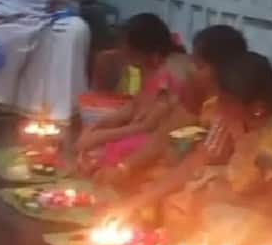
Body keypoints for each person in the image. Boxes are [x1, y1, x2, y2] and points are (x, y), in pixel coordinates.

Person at [111, 51, 272, 245]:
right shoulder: (238, 115)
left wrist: (217, 194)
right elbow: (195, 163)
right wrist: (135, 203)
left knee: (210, 210)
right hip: (247, 199)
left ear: (257, 108)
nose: (217, 108)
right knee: (175, 193)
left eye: (224, 102)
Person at [91, 24, 248, 188]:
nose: (192, 71)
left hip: (214, 178)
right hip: (184, 167)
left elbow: (199, 162)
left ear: (223, 69)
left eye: (200, 66)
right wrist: (123, 168)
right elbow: (162, 137)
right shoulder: (195, 91)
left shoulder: (232, 107)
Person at [75, 13, 191, 177]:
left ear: (150, 54)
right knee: (91, 140)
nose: (122, 52)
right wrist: (95, 128)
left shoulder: (164, 82)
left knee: (115, 147)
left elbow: (147, 127)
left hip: (152, 138)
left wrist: (99, 136)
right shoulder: (146, 74)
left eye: (129, 51)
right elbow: (131, 108)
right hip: (136, 131)